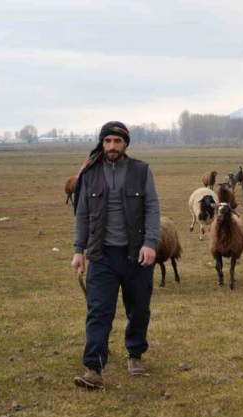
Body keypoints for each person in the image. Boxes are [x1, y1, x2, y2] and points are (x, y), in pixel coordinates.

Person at [71, 121, 160, 389]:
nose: (112, 146)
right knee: (98, 311)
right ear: (102, 143)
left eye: (117, 141)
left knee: (139, 308)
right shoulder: (90, 173)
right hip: (101, 256)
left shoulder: (141, 171)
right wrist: (78, 250)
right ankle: (94, 368)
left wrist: (150, 243)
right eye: (108, 141)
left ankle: (135, 355)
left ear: (125, 144)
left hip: (136, 255)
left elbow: (152, 208)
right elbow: (82, 215)